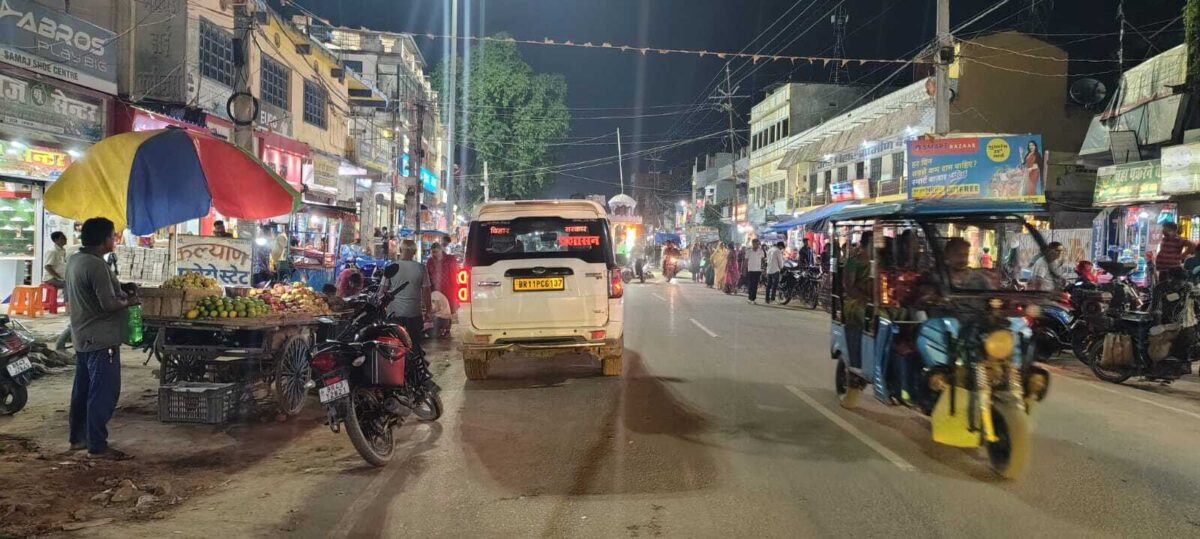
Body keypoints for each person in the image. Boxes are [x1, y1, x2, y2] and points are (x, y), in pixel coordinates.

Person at [67, 217, 138, 460]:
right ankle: (97, 445)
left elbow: (94, 290)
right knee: (103, 392)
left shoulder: (76, 259)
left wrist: (121, 287)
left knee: (83, 391)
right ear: (104, 239)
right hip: (101, 339)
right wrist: (130, 301)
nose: (115, 239)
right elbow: (108, 304)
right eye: (113, 235)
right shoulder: (96, 265)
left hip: (82, 336)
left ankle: (78, 438)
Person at [383, 239, 432, 352]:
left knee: (395, 345)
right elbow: (426, 291)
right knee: (414, 343)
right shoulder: (421, 268)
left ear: (400, 250)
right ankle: (415, 359)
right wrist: (428, 311)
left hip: (394, 313)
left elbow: (382, 291)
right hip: (413, 312)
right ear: (414, 252)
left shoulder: (391, 267)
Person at [425, 241, 460, 317]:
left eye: (436, 252)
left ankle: (450, 323)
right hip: (435, 290)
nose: (434, 254)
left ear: (441, 250)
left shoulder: (450, 259)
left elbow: (454, 273)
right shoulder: (430, 261)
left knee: (451, 311)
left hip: (449, 289)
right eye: (433, 252)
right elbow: (427, 275)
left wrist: (455, 289)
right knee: (438, 313)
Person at [744, 239, 766, 304]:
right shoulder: (748, 251)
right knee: (751, 284)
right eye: (756, 243)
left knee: (755, 285)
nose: (757, 245)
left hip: (758, 270)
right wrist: (745, 269)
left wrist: (764, 267)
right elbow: (746, 261)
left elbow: (763, 260)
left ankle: (753, 299)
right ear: (753, 244)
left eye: (758, 244)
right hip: (750, 270)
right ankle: (749, 298)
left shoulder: (761, 251)